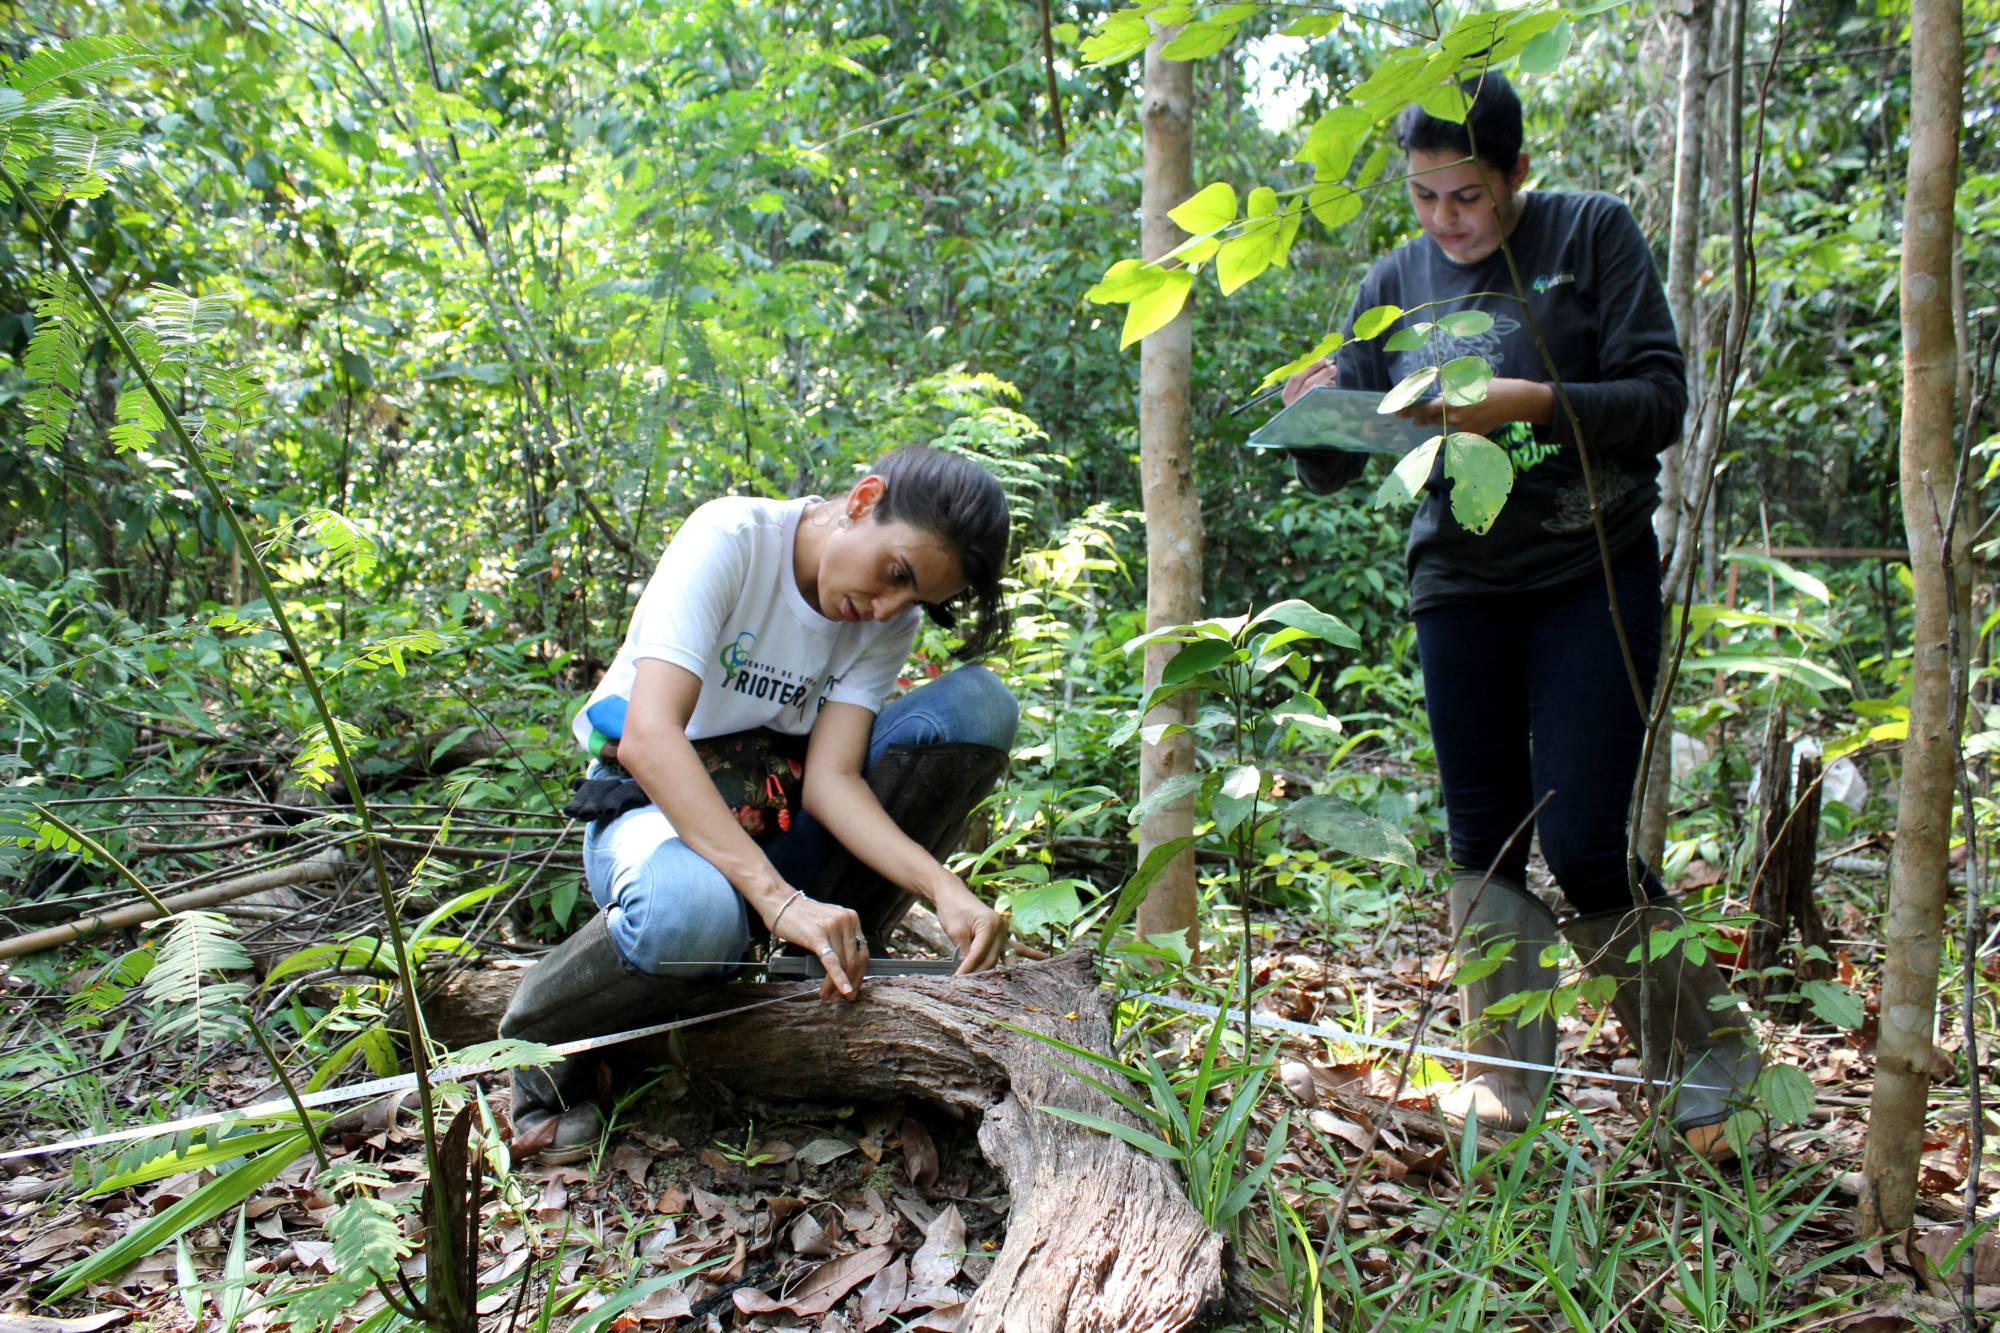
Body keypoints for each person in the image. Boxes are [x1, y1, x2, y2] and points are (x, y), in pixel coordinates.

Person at [1281, 73, 1760, 1154]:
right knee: (1482, 843)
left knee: (1585, 837)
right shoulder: (1391, 280)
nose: (1444, 221)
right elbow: (1334, 460)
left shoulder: (1588, 235)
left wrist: (1532, 403)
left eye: (1466, 197)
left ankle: (1708, 1080)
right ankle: (1502, 1097)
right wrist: (1312, 411)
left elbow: (1657, 402)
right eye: (1421, 197)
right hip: (1457, 582)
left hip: (1588, 566)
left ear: (1514, 176)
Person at [499, 444, 1020, 1161]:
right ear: (864, 498)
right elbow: (649, 739)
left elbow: (834, 780)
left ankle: (818, 957)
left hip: (779, 813)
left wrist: (943, 890)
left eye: (915, 599)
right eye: (895, 573)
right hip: (656, 807)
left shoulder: (882, 621)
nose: (890, 608)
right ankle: (537, 1031)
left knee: (979, 706)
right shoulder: (733, 540)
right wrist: (779, 901)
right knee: (689, 915)